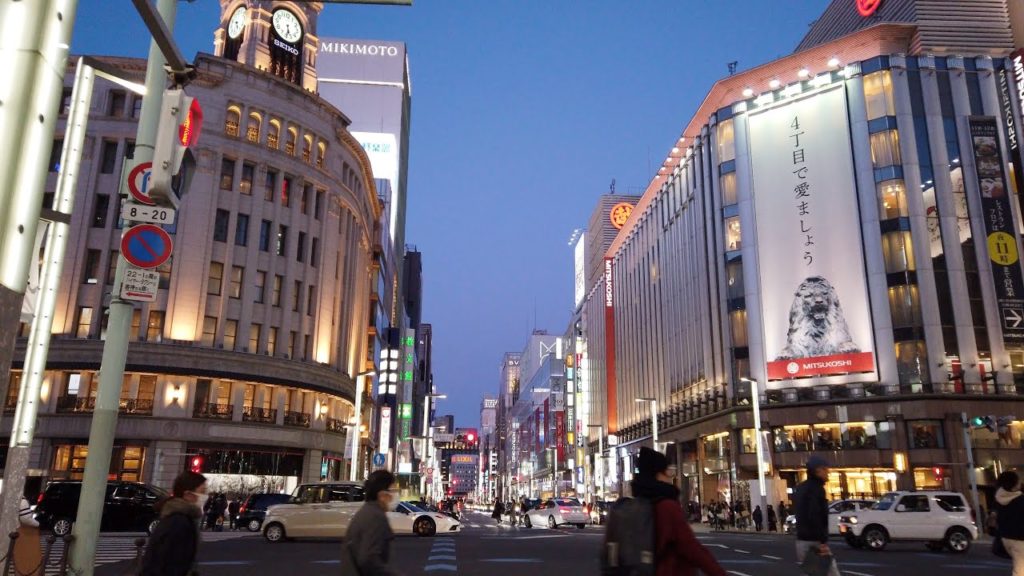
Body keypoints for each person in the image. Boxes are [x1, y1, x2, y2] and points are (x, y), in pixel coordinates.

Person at [632, 446, 727, 576]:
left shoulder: (635, 506)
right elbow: (692, 548)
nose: (669, 477)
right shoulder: (667, 507)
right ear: (658, 474)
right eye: (666, 472)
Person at [140, 471, 207, 576]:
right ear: (188, 494)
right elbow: (171, 563)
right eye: (202, 491)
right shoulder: (179, 522)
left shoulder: (179, 517)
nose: (205, 496)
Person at [340, 470, 402, 576]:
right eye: (392, 490)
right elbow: (368, 559)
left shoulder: (367, 511)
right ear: (382, 495)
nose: (395, 495)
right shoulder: (376, 517)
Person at [793, 456, 840, 576]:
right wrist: (822, 539)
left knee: (816, 573)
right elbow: (815, 514)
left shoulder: (801, 488)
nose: (828, 472)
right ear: (817, 470)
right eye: (825, 469)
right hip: (814, 541)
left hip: (802, 539)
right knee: (831, 573)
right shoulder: (817, 489)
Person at [995, 470, 1024, 576]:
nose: (1020, 482)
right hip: (1020, 540)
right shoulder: (1019, 500)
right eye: (1018, 481)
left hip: (1006, 537)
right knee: (1020, 570)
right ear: (1014, 485)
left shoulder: (1000, 497)